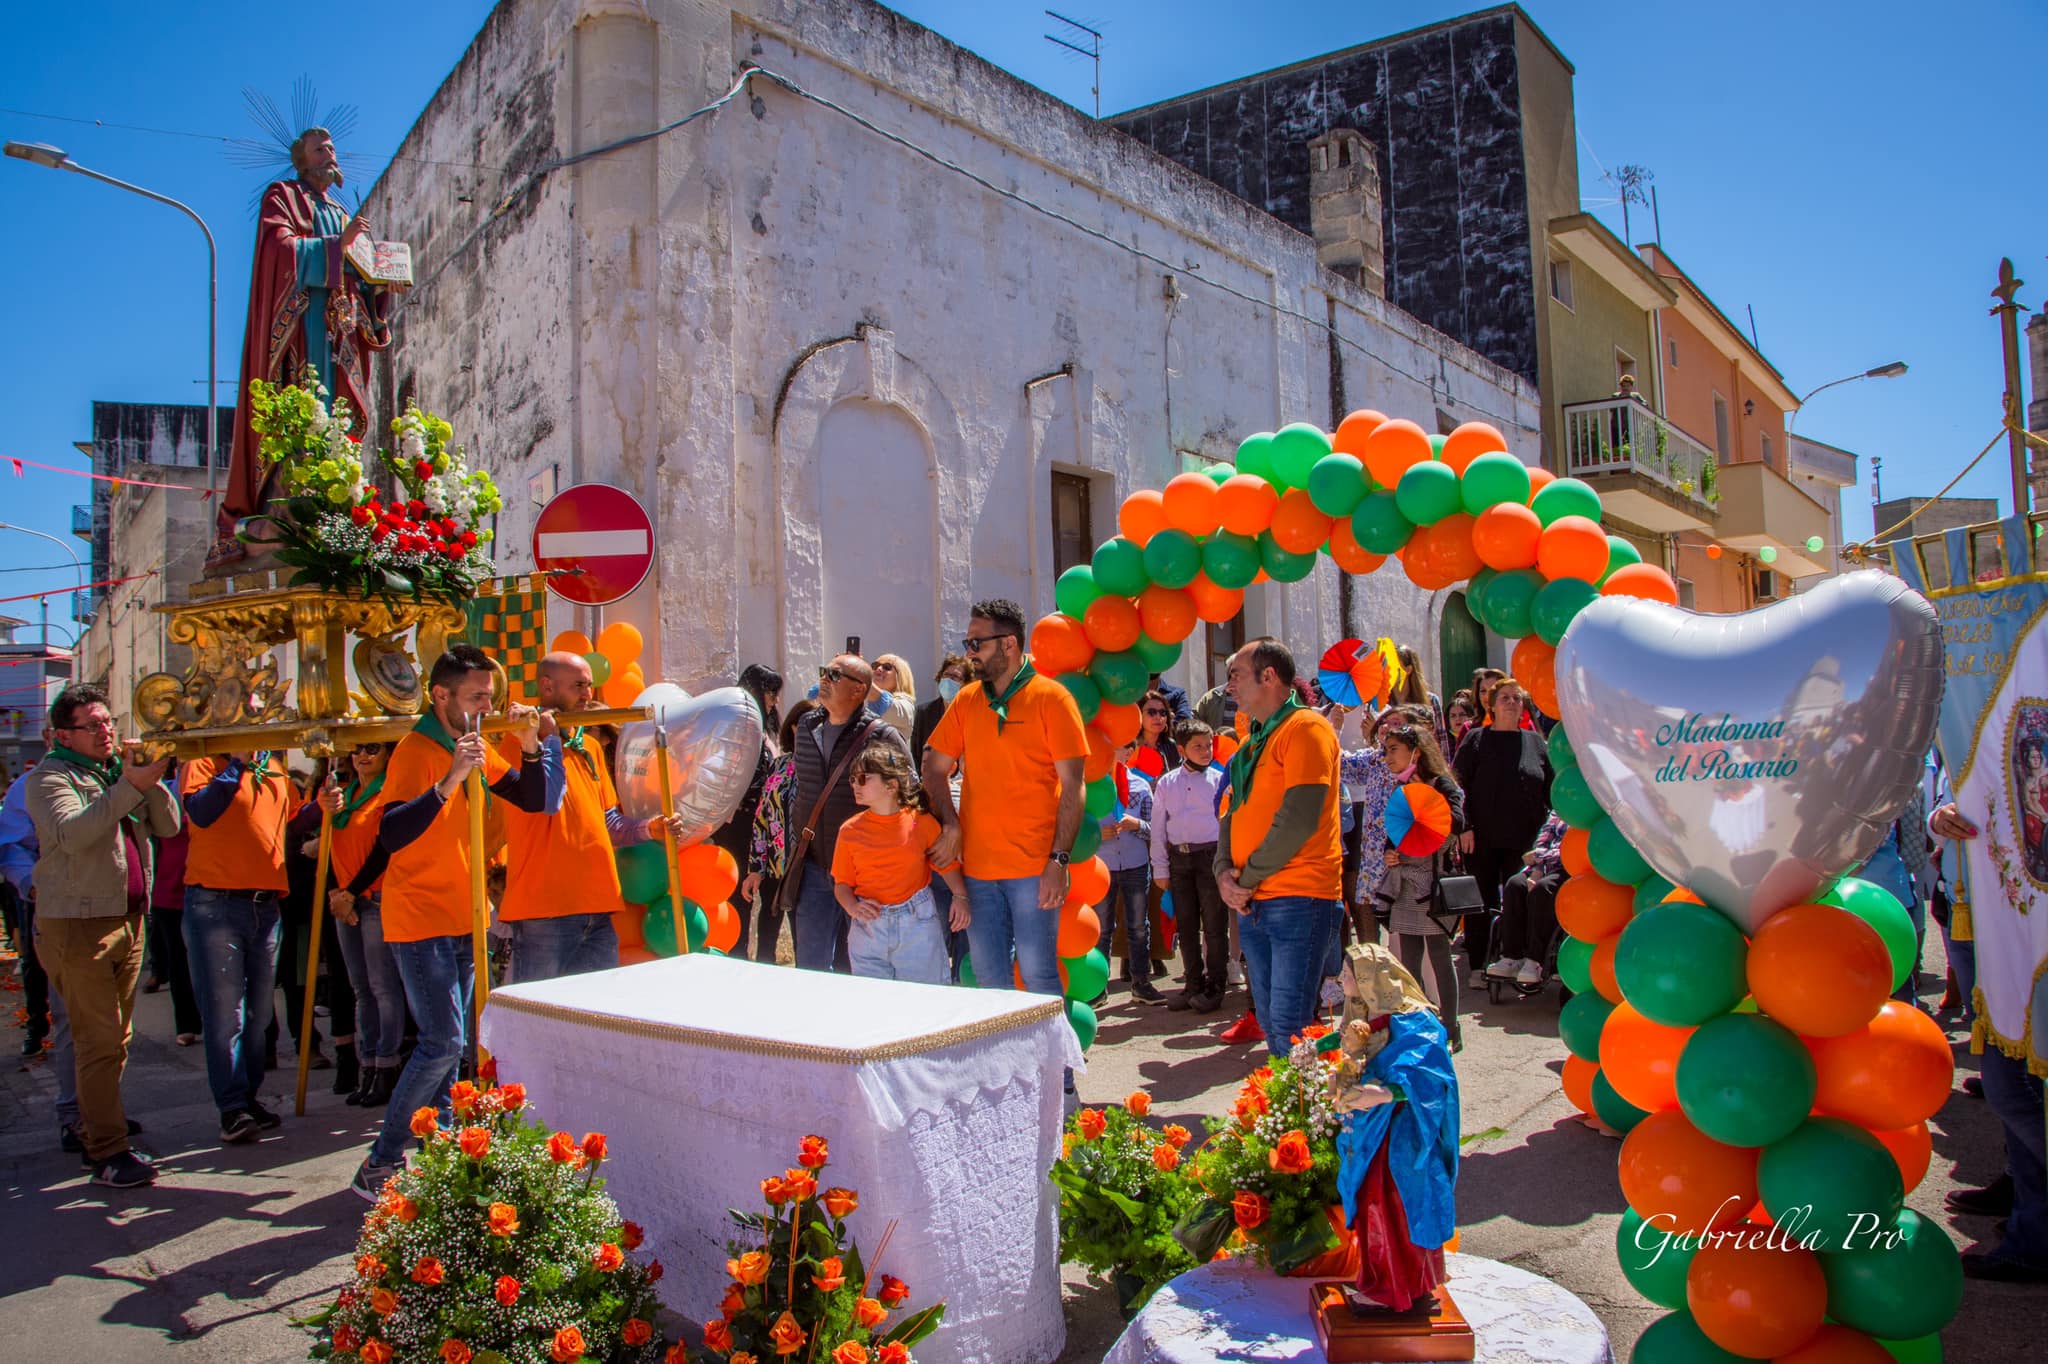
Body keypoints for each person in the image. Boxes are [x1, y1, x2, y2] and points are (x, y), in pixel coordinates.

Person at [351, 646, 563, 1199]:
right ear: (440, 696)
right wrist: (448, 781)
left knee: (457, 1045)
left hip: (463, 915)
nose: (484, 707)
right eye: (475, 698)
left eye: (489, 698)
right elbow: (392, 834)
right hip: (419, 916)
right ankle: (380, 1161)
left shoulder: (473, 746)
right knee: (442, 1043)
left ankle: (442, 1151)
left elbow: (536, 800)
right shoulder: (415, 751)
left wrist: (531, 745)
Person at [215, 125, 395, 563]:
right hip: (304, 331)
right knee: (302, 420)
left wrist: (380, 284)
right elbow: (279, 250)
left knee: (339, 420)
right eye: (320, 149)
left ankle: (338, 500)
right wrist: (338, 247)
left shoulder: (340, 208)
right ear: (302, 159)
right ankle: (287, 504)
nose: (330, 154)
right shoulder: (283, 195)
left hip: (340, 334)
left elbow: (358, 271)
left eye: (332, 148)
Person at [25, 685, 181, 1187]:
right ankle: (106, 1151)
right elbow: (73, 833)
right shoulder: (49, 777)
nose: (106, 732)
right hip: (77, 926)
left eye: (107, 722)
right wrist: (129, 786)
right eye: (93, 725)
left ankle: (100, 1118)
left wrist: (148, 778)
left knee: (118, 1039)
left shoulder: (116, 774)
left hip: (129, 920)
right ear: (62, 734)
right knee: (96, 1041)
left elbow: (171, 826)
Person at [925, 599, 1089, 1004]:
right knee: (991, 984)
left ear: (1009, 645)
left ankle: (1055, 1071)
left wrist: (1059, 862)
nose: (969, 653)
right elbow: (933, 767)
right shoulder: (966, 701)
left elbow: (1074, 786)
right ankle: (1005, 1071)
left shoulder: (1053, 698)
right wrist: (951, 823)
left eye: (976, 643)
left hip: (1034, 870)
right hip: (979, 873)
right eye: (968, 643)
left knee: (1039, 979)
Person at [494, 652, 678, 984]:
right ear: (547, 686)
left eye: (590, 686)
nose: (588, 695)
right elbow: (548, 801)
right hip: (544, 913)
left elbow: (607, 822)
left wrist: (649, 829)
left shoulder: (589, 748)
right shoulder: (517, 743)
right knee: (537, 1016)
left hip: (597, 909)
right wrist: (548, 738)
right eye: (579, 685)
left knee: (593, 1018)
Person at [1928, 796, 2048, 1282]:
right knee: (2007, 1079)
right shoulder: (1971, 730)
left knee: (2012, 1086)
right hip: (1970, 905)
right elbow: (1939, 807)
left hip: (2017, 918)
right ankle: (2029, 1217)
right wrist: (1940, 819)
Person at [1214, 639, 1346, 1058]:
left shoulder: (1307, 728)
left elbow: (1299, 819)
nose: (1228, 686)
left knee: (1291, 1026)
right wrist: (1223, 872)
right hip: (1255, 903)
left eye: (1235, 674)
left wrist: (1244, 880)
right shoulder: (1251, 743)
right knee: (1273, 1024)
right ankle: (1293, 1118)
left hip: (1299, 897)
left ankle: (1313, 1119)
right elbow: (1230, 814)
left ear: (1268, 676)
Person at [745, 656, 908, 972]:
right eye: (824, 673)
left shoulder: (881, 735)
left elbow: (910, 792)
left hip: (865, 877)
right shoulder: (807, 726)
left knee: (859, 968)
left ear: (859, 690)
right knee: (810, 968)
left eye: (835, 675)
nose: (825, 680)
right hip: (814, 869)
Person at [1321, 943, 1459, 1312]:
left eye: (1349, 974)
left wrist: (1381, 1093)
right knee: (1380, 1206)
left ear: (1369, 978)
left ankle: (1390, 1288)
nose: (1342, 979)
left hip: (1403, 1136)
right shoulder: (1369, 1008)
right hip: (1374, 1131)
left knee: (1392, 1205)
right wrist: (1317, 1048)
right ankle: (1407, 1279)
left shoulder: (1415, 1021)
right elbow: (1351, 1041)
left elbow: (1430, 1076)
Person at [181, 743, 305, 1145]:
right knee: (226, 1016)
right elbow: (201, 811)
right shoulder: (202, 761)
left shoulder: (276, 769)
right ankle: (231, 1107)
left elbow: (290, 825)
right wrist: (235, 762)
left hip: (265, 906)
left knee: (259, 1017)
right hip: (216, 901)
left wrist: (323, 806)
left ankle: (247, 1099)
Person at [832, 741, 967, 983]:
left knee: (924, 1000)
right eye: (853, 779)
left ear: (891, 785)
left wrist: (960, 897)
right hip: (868, 929)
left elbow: (946, 864)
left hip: (917, 924)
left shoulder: (920, 822)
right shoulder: (849, 831)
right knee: (874, 1005)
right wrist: (852, 907)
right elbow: (842, 884)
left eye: (863, 779)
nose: (855, 785)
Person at [1451, 677, 1552, 988]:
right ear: (1491, 705)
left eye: (1517, 698)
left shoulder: (1535, 742)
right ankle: (1479, 965)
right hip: (1481, 837)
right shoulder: (1477, 740)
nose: (1512, 703)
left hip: (1524, 839)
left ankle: (1516, 958)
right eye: (1505, 698)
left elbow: (1550, 789)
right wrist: (1463, 826)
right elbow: (1458, 786)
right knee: (1479, 902)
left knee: (1518, 897)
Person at [321, 741, 406, 1107]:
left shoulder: (389, 791)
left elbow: (383, 849)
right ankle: (368, 1063)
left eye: (372, 748)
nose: (363, 756)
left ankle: (387, 1066)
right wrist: (339, 895)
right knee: (361, 989)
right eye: (356, 749)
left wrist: (352, 892)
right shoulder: (344, 795)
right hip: (347, 902)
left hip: (375, 899)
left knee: (383, 987)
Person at [1374, 722, 1468, 1048]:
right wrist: (1390, 853)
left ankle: (1451, 1027)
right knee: (1409, 959)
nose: (1387, 758)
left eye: (1393, 750)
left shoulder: (1440, 784)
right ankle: (1419, 1023)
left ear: (1416, 752)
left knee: (1440, 956)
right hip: (1405, 885)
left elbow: (1456, 821)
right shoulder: (1400, 789)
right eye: (1386, 751)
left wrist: (1425, 799)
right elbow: (1395, 833)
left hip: (1432, 882)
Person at [1152, 719, 1227, 1012]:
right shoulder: (1167, 783)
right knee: (1185, 925)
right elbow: (1158, 829)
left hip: (1209, 857)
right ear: (1181, 749)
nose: (1206, 751)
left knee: (1214, 925)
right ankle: (1192, 983)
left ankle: (1215, 986)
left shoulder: (1220, 779)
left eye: (1208, 745)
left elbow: (1225, 822)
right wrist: (1160, 868)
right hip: (1179, 860)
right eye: (1198, 746)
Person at [742, 699, 819, 962]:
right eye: (806, 725)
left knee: (806, 942)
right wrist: (756, 868)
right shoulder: (779, 765)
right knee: (766, 940)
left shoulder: (826, 767)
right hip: (776, 865)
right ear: (794, 728)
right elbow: (762, 819)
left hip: (809, 868)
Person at [1094, 742, 1162, 1006]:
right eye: (1114, 747)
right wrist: (1096, 836)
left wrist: (1138, 825)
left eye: (1126, 748)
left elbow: (1156, 827)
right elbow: (1079, 827)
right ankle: (1099, 987)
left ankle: (1141, 982)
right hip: (1102, 866)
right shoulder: (1091, 785)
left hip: (1134, 863)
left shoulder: (1140, 786)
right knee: (1101, 928)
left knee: (1138, 926)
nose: (1121, 753)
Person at [1, 759, 52, 1057]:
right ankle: (37, 1025)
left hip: (104, 901)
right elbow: (13, 845)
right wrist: (32, 884)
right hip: (44, 898)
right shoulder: (29, 785)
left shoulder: (116, 775)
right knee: (35, 961)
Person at [1485, 813, 1567, 986]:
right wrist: (1538, 868)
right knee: (1514, 885)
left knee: (1541, 890)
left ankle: (1535, 961)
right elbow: (1542, 841)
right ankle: (1512, 957)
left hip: (1566, 869)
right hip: (1543, 865)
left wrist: (1539, 864)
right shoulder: (1557, 812)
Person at [147, 812, 200, 1047]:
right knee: (178, 962)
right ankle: (186, 1024)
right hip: (169, 894)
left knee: (210, 964)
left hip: (207, 890)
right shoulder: (161, 799)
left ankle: (217, 1023)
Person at [912, 655, 972, 762]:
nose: (948, 680)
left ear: (966, 684)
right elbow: (916, 753)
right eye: (946, 675)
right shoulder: (924, 712)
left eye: (955, 677)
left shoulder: (972, 714)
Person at [1130, 690, 1181, 781]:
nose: (1158, 717)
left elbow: (1178, 780)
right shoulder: (1128, 746)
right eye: (1151, 712)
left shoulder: (1170, 745)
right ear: (1139, 714)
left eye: (1163, 713)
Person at [866, 654, 918, 738]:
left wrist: (858, 673)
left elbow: (883, 704)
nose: (879, 669)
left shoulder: (906, 704)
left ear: (900, 677)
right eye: (875, 666)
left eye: (886, 667)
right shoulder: (864, 699)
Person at [737, 663, 785, 744]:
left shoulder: (766, 726)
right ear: (756, 691)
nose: (777, 700)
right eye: (773, 692)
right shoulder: (739, 726)